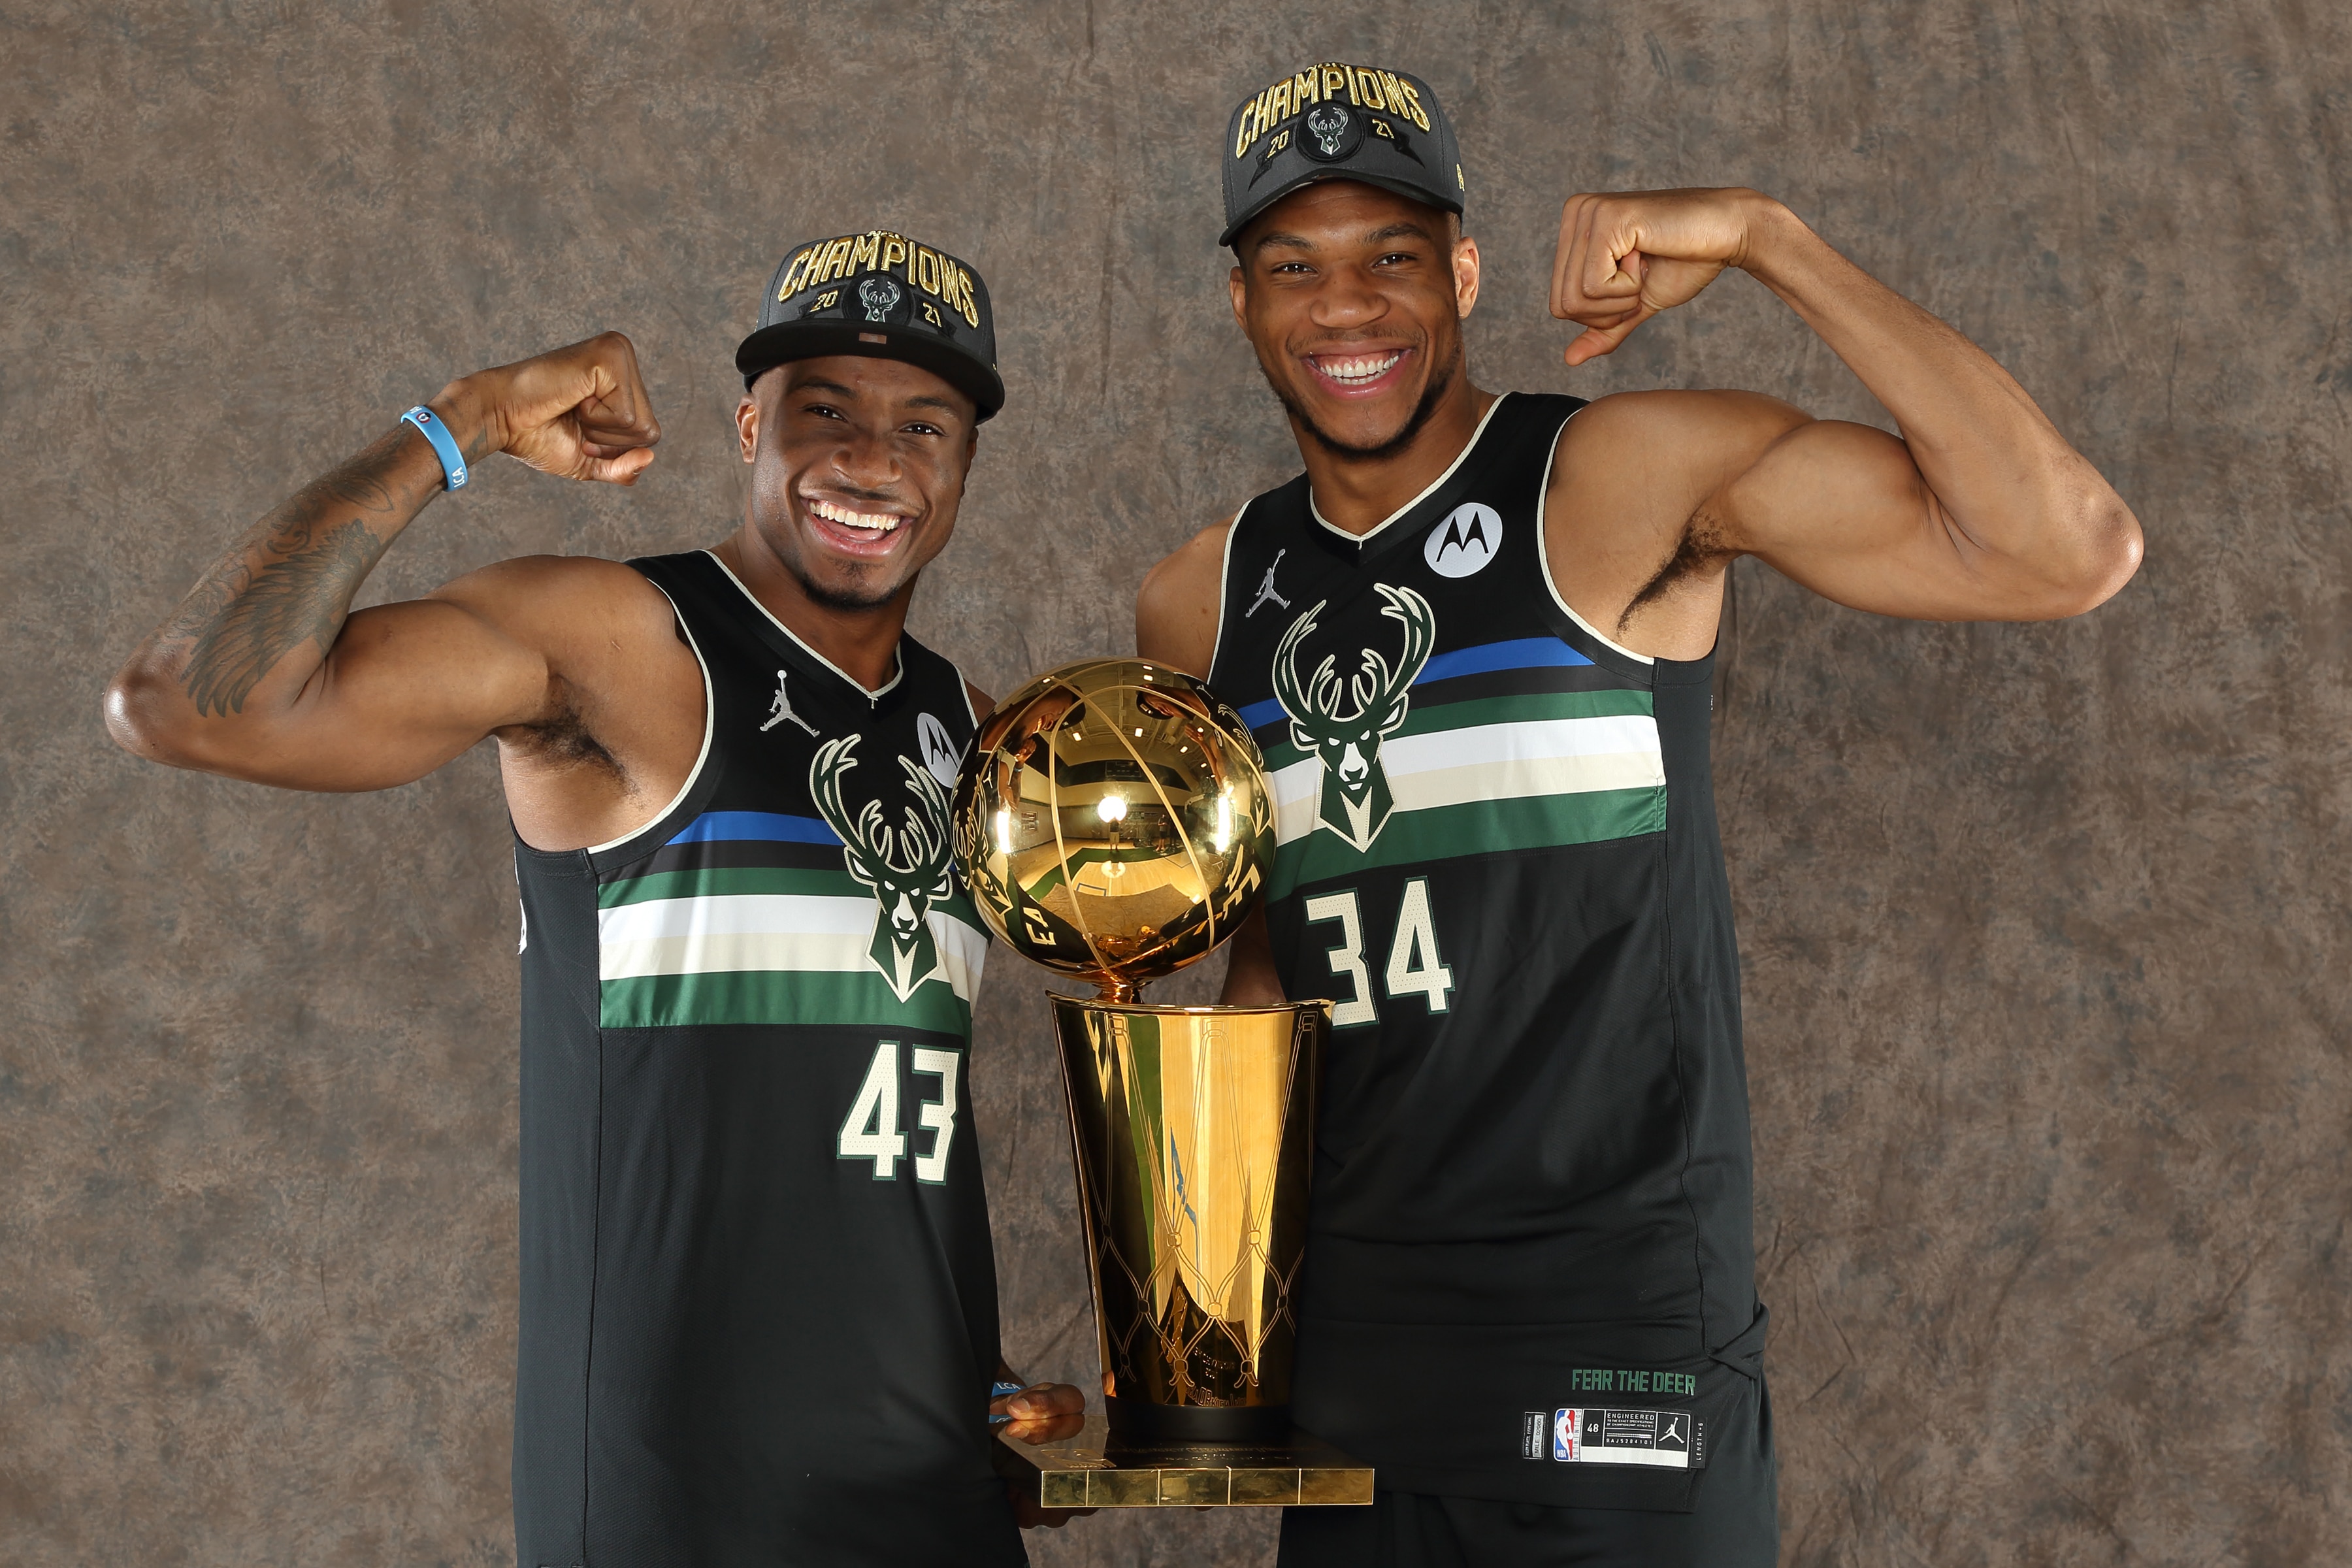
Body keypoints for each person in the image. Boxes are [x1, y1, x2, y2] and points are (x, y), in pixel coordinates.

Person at [1136, 61, 2141, 1567]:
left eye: (1393, 258)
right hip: (1361, 1368)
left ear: (1464, 271)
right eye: (1297, 268)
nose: (1347, 307)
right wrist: (1192, 1325)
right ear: (1241, 303)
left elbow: (2066, 550)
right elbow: (1267, 971)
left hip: (1616, 1349)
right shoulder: (1199, 597)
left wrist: (1768, 239)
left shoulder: (1613, 478)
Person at [106, 229, 1086, 1566]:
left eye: (926, 423)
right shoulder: (623, 645)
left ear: (966, 463)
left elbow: (876, 1118)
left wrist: (954, 1361)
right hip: (683, 1490)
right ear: (749, 426)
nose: (874, 460)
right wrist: (471, 420)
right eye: (826, 413)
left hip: (928, 1482)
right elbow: (187, 705)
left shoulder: (968, 729)